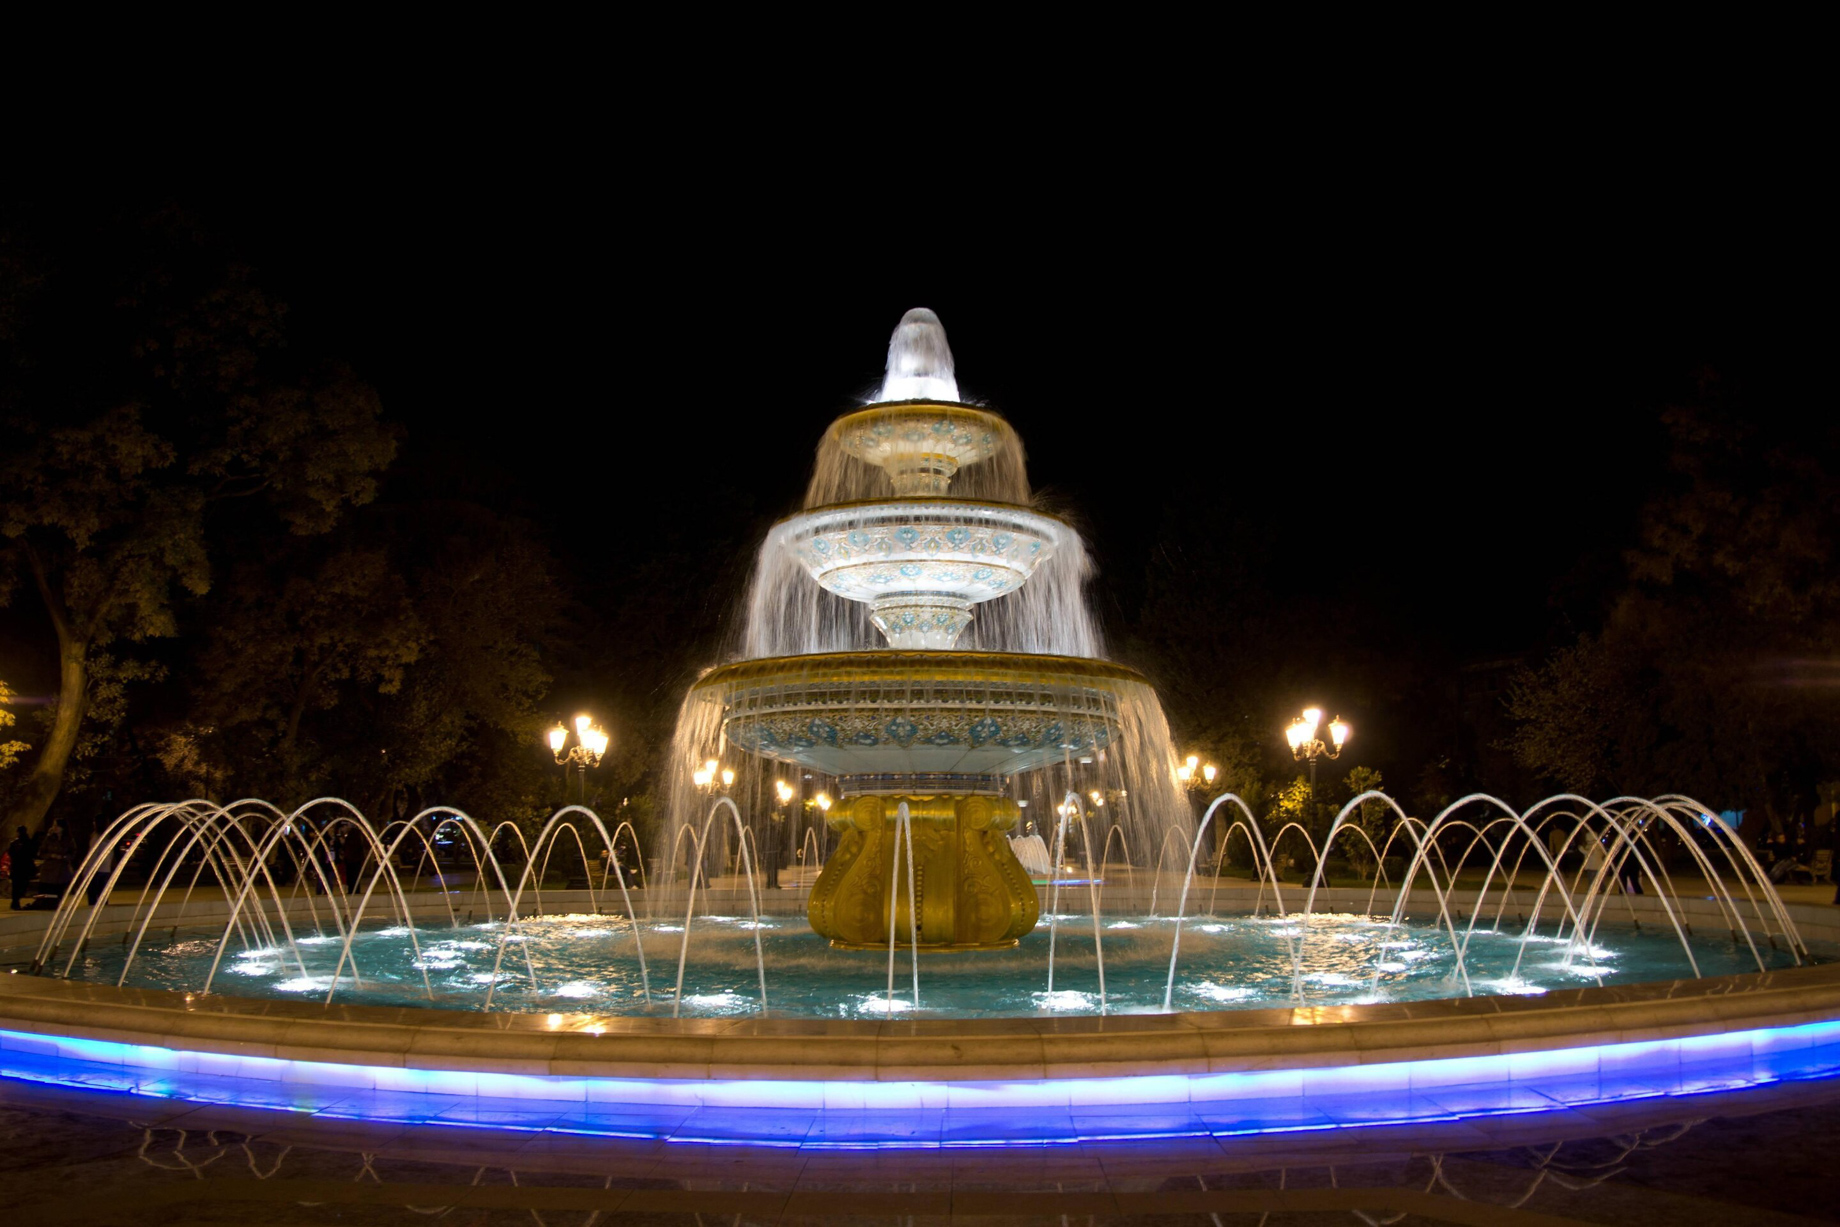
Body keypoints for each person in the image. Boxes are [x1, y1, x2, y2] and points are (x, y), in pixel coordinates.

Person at [7, 826, 38, 910]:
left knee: (16, 885)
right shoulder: (28, 842)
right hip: (24, 867)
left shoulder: (15, 843)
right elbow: (33, 853)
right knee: (22, 885)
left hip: (17, 867)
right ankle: (16, 901)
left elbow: (11, 854)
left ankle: (15, 901)